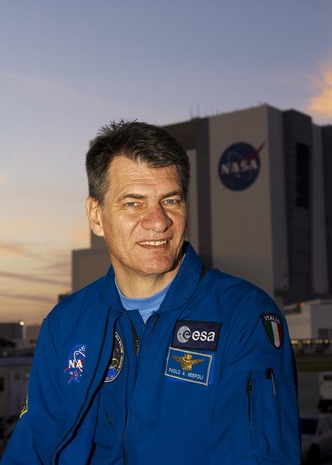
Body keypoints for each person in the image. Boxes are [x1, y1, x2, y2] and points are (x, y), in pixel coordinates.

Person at [2, 121, 301, 464]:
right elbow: (31, 447)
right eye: (133, 203)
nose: (158, 221)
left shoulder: (244, 317)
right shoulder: (65, 324)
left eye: (170, 200)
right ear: (96, 216)